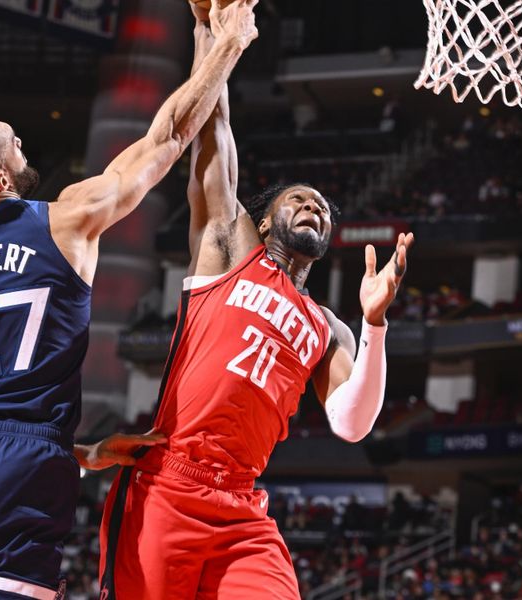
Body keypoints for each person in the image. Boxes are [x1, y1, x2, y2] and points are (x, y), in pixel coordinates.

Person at [0, 2, 259, 598]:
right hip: (20, 467)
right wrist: (228, 43)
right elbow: (166, 137)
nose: (21, 142)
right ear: (2, 179)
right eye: (13, 143)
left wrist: (80, 451)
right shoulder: (69, 220)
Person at [91, 4, 414, 598]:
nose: (314, 205)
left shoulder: (327, 326)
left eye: (321, 206)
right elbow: (211, 135)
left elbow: (350, 423)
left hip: (243, 504)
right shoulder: (230, 248)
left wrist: (374, 326)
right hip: (170, 481)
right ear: (264, 221)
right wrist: (208, 32)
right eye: (299, 198)